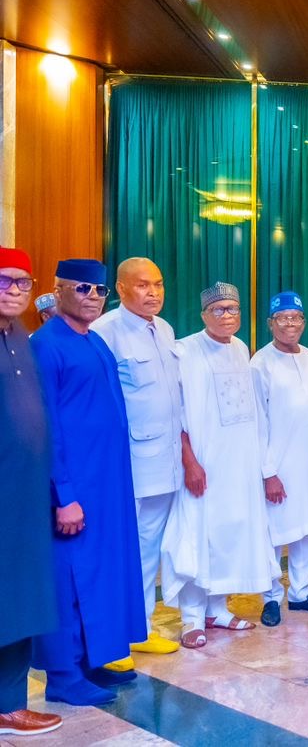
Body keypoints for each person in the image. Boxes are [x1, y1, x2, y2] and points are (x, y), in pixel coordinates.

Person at [30, 259, 145, 705]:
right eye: (82, 289)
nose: (93, 297)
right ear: (58, 290)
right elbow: (46, 428)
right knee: (69, 581)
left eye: (99, 290)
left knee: (99, 575)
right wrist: (65, 496)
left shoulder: (95, 340)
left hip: (106, 487)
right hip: (73, 489)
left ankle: (91, 660)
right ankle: (63, 676)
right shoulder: (46, 345)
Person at [162, 282, 279, 650]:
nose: (227, 316)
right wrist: (190, 461)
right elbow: (175, 413)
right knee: (200, 536)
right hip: (203, 465)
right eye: (219, 309)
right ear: (203, 314)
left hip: (238, 466)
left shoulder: (241, 348)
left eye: (233, 309)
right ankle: (192, 618)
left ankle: (217, 610)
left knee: (230, 535)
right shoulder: (185, 351)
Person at [92, 258, 183, 665]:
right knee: (118, 551)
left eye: (158, 284)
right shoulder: (105, 332)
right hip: (127, 464)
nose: (154, 293)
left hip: (165, 461)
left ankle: (139, 627)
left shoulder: (164, 329)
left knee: (148, 551)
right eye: (143, 285)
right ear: (121, 289)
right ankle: (110, 640)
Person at [0, 248, 62, 735]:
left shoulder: (22, 335)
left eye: (23, 282)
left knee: (21, 599)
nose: (16, 290)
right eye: (6, 281)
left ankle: (10, 703)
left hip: (25, 494)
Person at [250, 292, 308, 625]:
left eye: (296, 317)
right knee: (273, 533)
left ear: (304, 322)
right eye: (283, 318)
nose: (290, 324)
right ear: (270, 323)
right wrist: (268, 472)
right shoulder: (260, 364)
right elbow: (257, 422)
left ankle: (301, 593)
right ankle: (271, 597)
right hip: (277, 465)